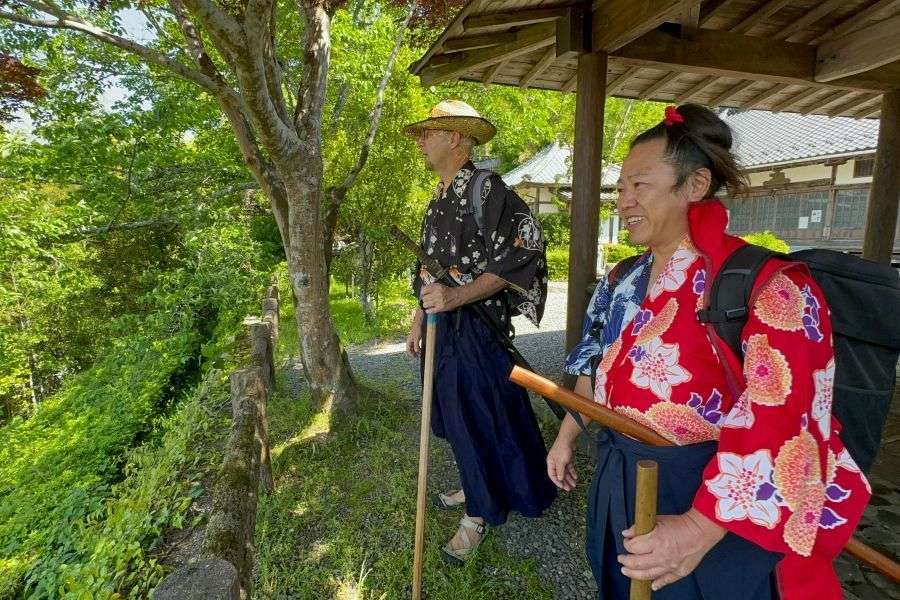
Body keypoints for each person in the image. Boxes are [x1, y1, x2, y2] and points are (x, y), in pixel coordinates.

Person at [548, 104, 870, 599]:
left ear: (695, 186)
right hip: (620, 470)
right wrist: (568, 434)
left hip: (706, 496)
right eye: (621, 188)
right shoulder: (621, 280)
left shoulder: (764, 286)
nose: (624, 201)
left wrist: (698, 528)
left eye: (641, 185)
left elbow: (783, 414)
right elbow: (598, 365)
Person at [403, 99, 557, 565]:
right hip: (442, 328)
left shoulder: (486, 189)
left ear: (455, 138)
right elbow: (428, 269)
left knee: (484, 413)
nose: (421, 141)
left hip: (479, 329)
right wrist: (419, 316)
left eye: (429, 133)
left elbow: (524, 247)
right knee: (458, 413)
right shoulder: (438, 197)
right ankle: (480, 481)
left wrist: (457, 296)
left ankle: (479, 511)